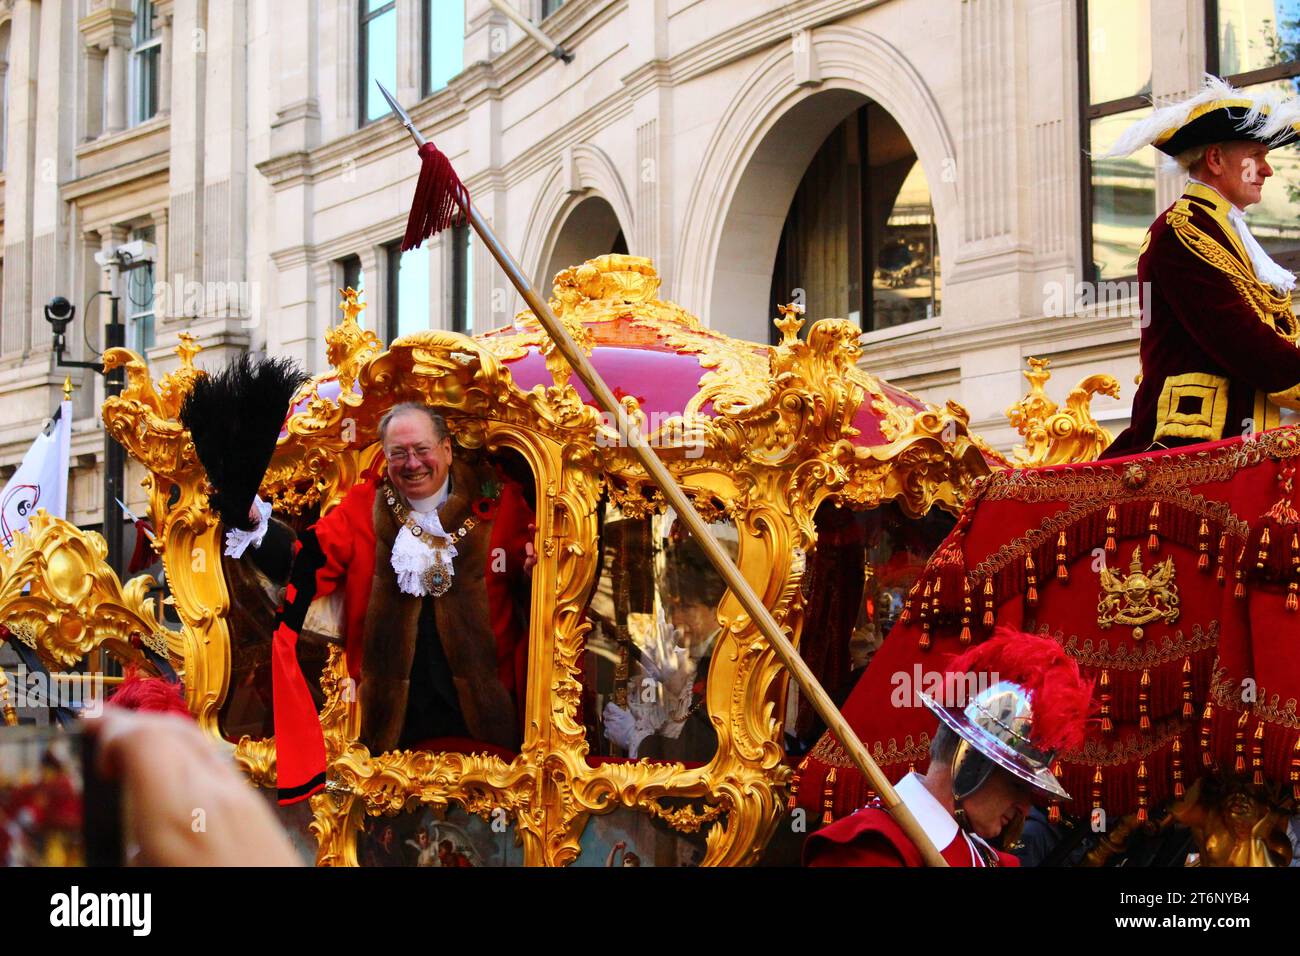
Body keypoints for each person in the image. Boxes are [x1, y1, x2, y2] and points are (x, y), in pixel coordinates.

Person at [231, 402, 535, 805]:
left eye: (422, 449)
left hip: (486, 728)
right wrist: (257, 526)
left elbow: (541, 593)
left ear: (446, 448)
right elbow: (304, 561)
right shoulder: (361, 508)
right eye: (398, 453)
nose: (412, 464)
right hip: (389, 732)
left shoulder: (502, 505)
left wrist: (534, 575)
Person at [1100, 75, 1300, 457]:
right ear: (1215, 159)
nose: (1268, 170)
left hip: (1248, 437)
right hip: (1197, 445)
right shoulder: (1182, 232)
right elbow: (1245, 344)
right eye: (1256, 156)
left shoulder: (1224, 229)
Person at [803, 630, 1093, 867]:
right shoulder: (867, 852)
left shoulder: (992, 861)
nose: (1025, 808)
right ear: (970, 763)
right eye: (1017, 785)